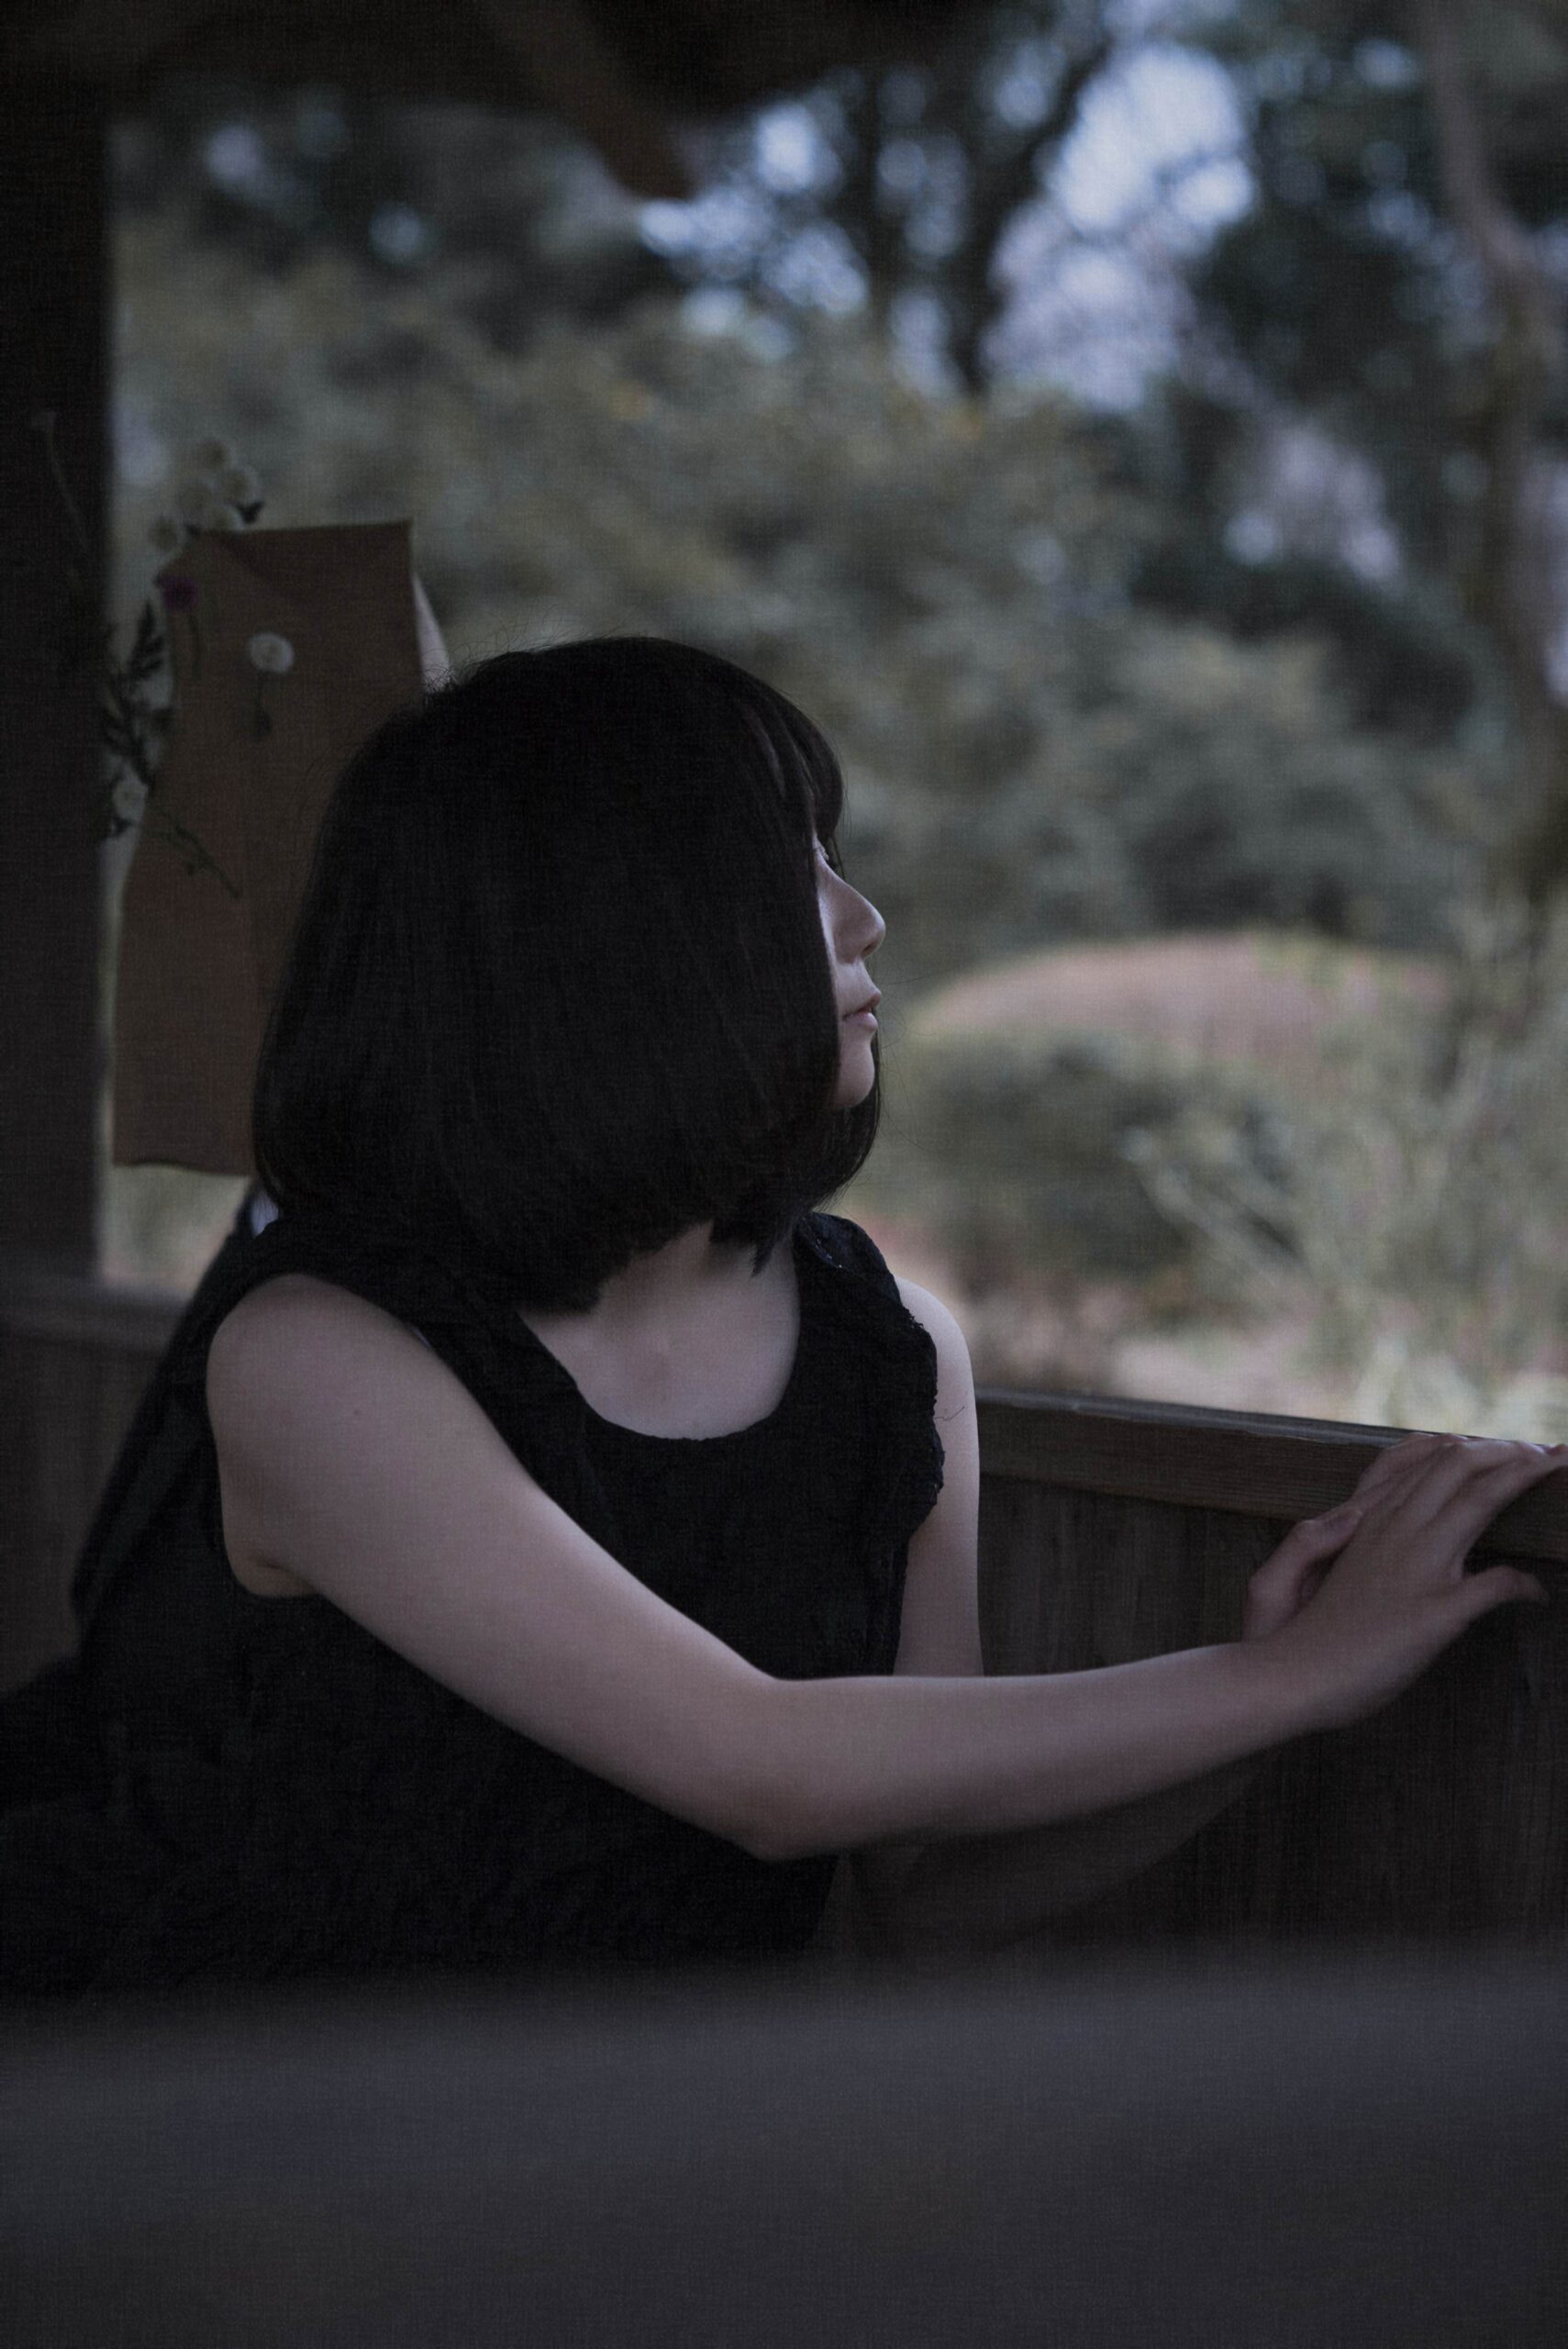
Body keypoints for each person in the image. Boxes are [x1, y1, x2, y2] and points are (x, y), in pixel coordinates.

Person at [0, 636, 1557, 1999]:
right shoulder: (321, 1354)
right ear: (605, 940)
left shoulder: (889, 1350)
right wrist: (1284, 1678)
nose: (862, 917)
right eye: (791, 871)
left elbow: (929, 1893)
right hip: (231, 2119)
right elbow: (759, 1767)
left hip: (624, 2159)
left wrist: (1267, 1701)